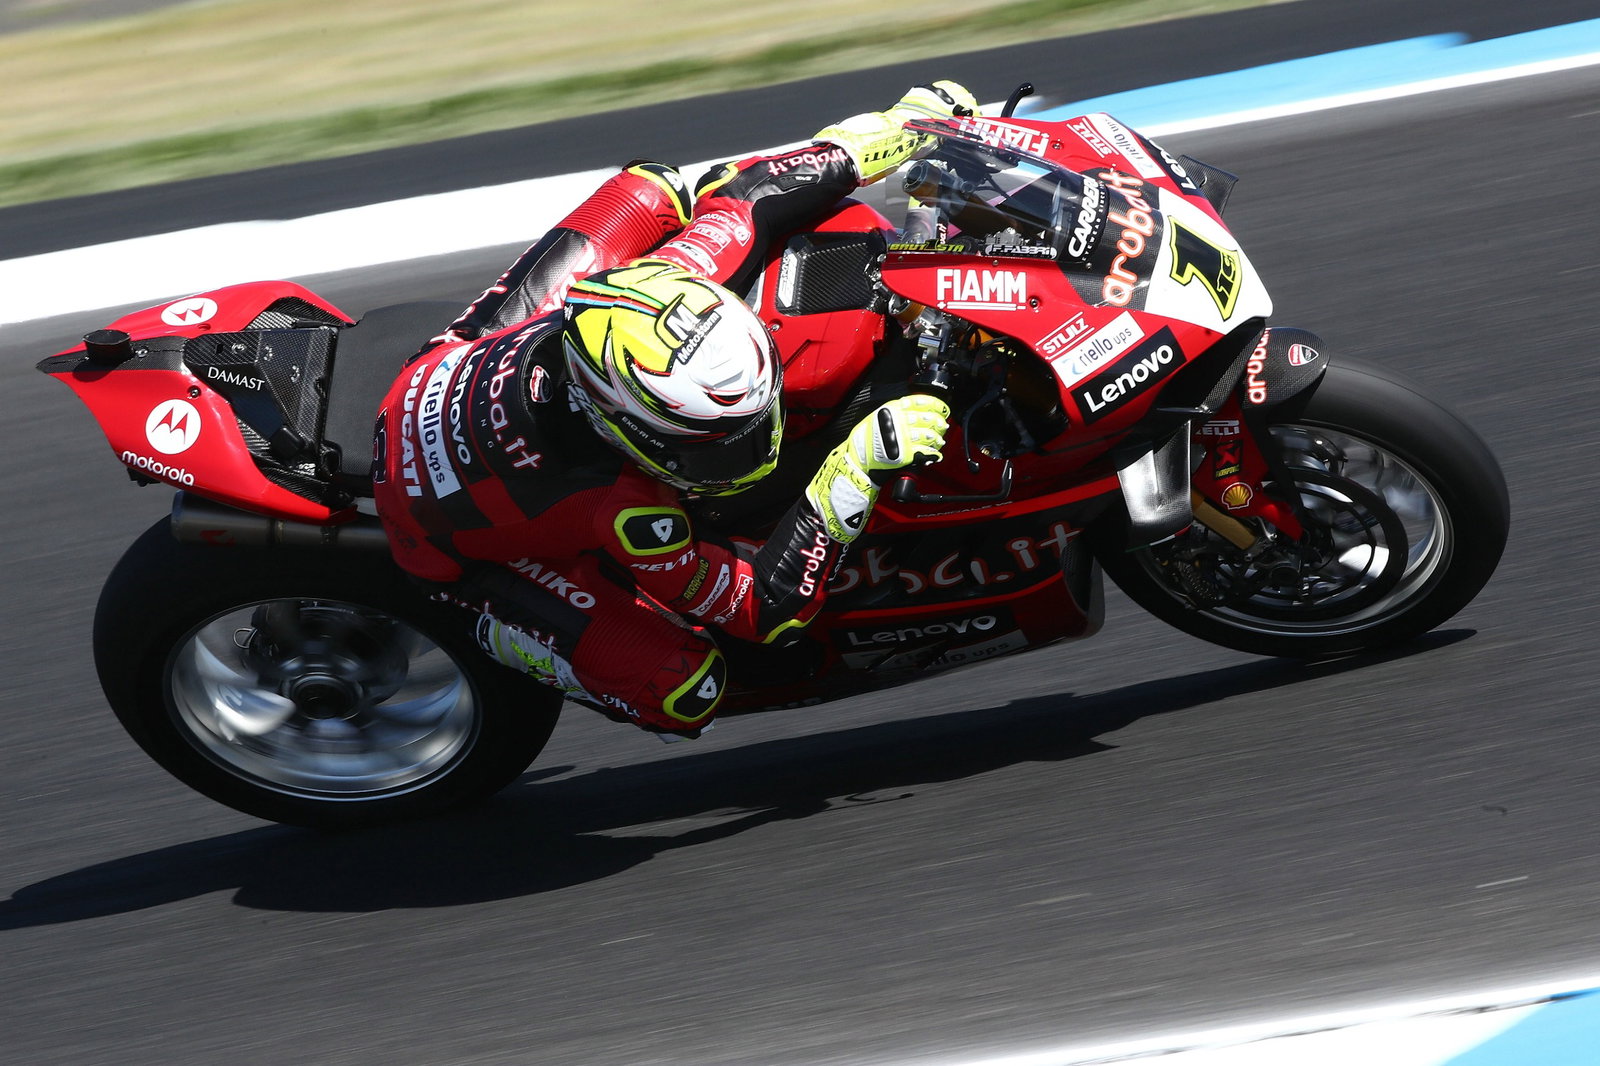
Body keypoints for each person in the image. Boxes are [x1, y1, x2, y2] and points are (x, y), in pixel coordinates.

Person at [371, 82, 979, 737]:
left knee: (656, 185)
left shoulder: (674, 276)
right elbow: (765, 611)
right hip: (445, 544)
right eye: (716, 444)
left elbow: (763, 187)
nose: (757, 447)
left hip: (449, 361)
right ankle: (496, 628)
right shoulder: (629, 511)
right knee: (685, 690)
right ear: (624, 432)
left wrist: (915, 125)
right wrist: (853, 468)